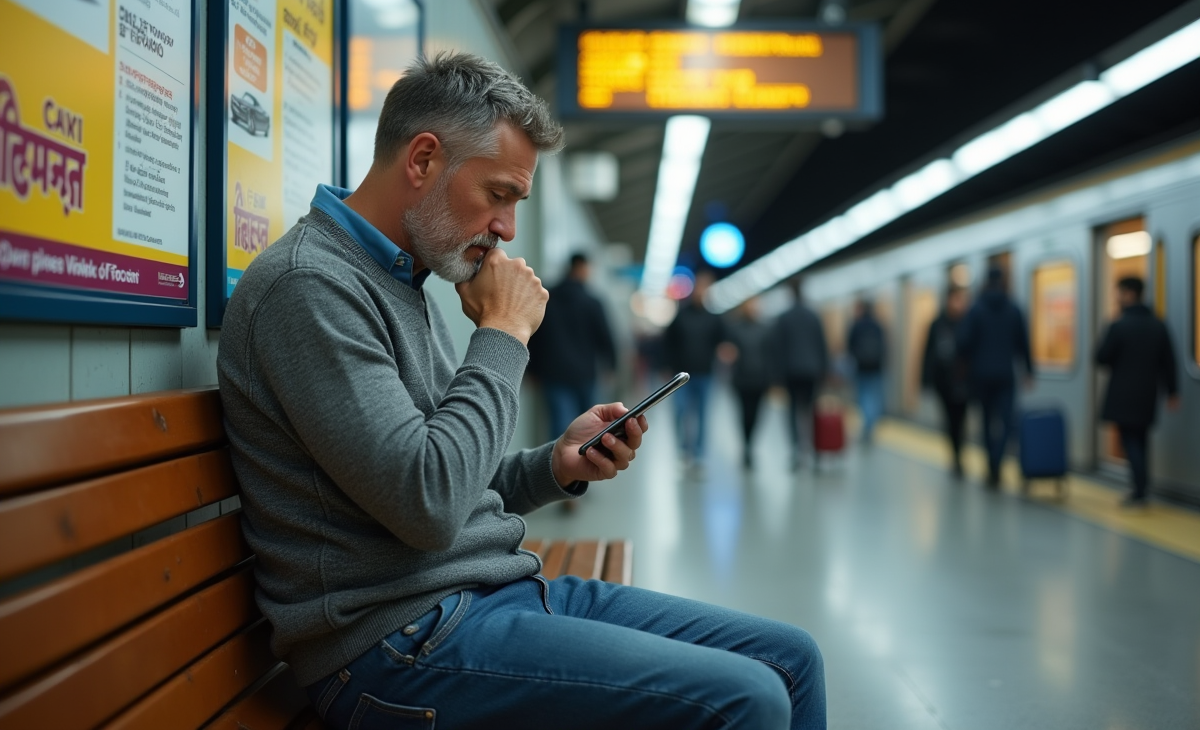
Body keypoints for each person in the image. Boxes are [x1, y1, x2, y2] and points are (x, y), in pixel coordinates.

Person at [217, 53, 825, 730]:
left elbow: (441, 479)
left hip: (485, 595)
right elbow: (429, 503)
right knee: (749, 699)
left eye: (515, 203)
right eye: (498, 194)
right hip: (394, 645)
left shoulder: (399, 278)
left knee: (793, 659)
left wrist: (553, 466)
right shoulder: (309, 289)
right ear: (421, 161)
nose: (506, 228)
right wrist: (504, 332)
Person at [1096, 276, 1180, 507]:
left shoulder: (1118, 325)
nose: (1117, 297)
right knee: (1141, 439)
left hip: (1122, 394)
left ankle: (1139, 491)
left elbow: (1101, 357)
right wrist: (1173, 392)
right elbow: (1169, 362)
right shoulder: (1158, 324)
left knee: (1129, 440)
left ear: (1130, 294)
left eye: (1119, 292)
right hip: (1148, 393)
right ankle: (1142, 487)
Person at [956, 267, 1033, 489]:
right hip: (1006, 375)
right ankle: (998, 461)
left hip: (980, 376)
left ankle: (991, 465)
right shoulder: (1014, 308)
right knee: (1007, 422)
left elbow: (963, 342)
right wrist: (1028, 370)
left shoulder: (976, 310)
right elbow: (1023, 342)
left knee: (987, 422)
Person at [527, 252, 616, 439]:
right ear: (581, 268)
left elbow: (535, 335)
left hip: (553, 373)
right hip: (584, 373)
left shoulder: (548, 298)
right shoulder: (592, 302)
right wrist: (611, 365)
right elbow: (605, 336)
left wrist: (532, 369)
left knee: (559, 426)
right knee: (590, 425)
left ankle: (556, 466)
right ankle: (586, 462)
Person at [663, 269, 725, 472]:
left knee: (702, 415)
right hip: (680, 377)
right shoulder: (681, 315)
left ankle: (698, 455)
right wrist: (665, 366)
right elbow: (668, 342)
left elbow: (723, 341)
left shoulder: (713, 318)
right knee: (680, 412)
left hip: (705, 374)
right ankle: (683, 451)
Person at [773, 278, 829, 466]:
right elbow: (821, 344)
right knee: (811, 410)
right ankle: (815, 451)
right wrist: (825, 370)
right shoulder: (813, 315)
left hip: (791, 371)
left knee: (792, 411)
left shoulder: (784, 317)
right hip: (812, 370)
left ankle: (797, 450)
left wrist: (777, 376)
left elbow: (778, 348)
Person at [922, 285, 970, 478]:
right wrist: (926, 380)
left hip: (963, 381)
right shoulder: (937, 324)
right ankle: (955, 455)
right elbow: (928, 354)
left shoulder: (967, 323)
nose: (958, 304)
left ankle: (959, 454)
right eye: (955, 299)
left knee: (961, 420)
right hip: (944, 382)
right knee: (950, 420)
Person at [722, 296, 775, 469]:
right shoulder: (735, 329)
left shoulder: (765, 329)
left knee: (757, 414)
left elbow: (770, 355)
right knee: (744, 414)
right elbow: (728, 352)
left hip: (760, 379)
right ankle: (746, 446)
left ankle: (751, 443)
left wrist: (772, 378)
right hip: (742, 379)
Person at [846, 299, 886, 443]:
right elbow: (884, 347)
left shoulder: (857, 326)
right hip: (876, 367)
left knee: (863, 396)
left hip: (861, 367)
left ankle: (867, 424)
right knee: (875, 397)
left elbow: (849, 346)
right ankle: (871, 424)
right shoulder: (878, 326)